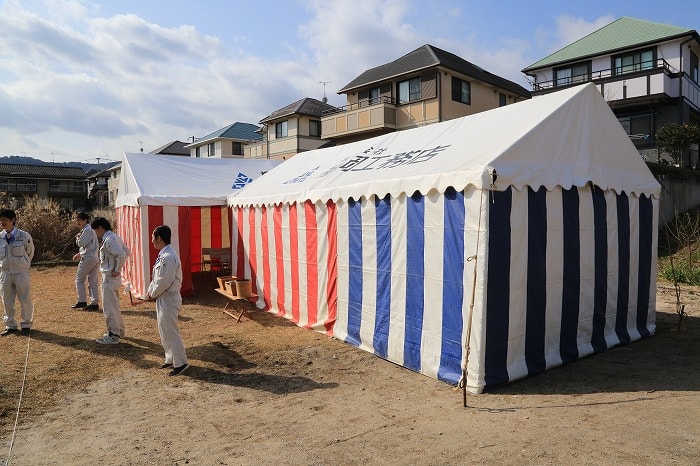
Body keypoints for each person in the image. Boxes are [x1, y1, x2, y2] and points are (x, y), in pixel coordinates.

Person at [147, 225, 189, 376]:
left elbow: (164, 281)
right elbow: (156, 278)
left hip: (169, 298)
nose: (152, 241)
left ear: (159, 238)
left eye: (153, 238)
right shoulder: (163, 255)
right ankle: (170, 358)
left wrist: (152, 293)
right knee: (164, 330)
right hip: (163, 297)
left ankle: (181, 362)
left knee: (171, 331)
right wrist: (150, 291)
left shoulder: (168, 256)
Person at [91, 217, 128, 345]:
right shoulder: (114, 237)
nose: (96, 234)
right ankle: (120, 330)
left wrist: (117, 269)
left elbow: (122, 255)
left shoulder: (109, 239)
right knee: (114, 305)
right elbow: (126, 251)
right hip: (112, 277)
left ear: (100, 228)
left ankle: (113, 334)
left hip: (109, 277)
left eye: (96, 231)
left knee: (109, 307)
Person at [0, 209, 35, 336]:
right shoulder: (0, 237)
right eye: (1, 219)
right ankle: (10, 325)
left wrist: (23, 264)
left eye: (5, 219)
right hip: (5, 273)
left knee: (25, 298)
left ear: (13, 220)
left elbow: (30, 252)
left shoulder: (24, 236)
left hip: (21, 272)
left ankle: (26, 324)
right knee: (6, 300)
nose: (2, 222)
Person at [71, 211, 100, 311]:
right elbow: (90, 245)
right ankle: (94, 303)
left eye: (79, 220)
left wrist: (77, 238)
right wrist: (79, 254)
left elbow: (81, 243)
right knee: (92, 281)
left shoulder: (87, 230)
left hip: (88, 257)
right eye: (76, 220)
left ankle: (82, 301)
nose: (77, 222)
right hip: (94, 257)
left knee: (79, 279)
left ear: (85, 220)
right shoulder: (89, 230)